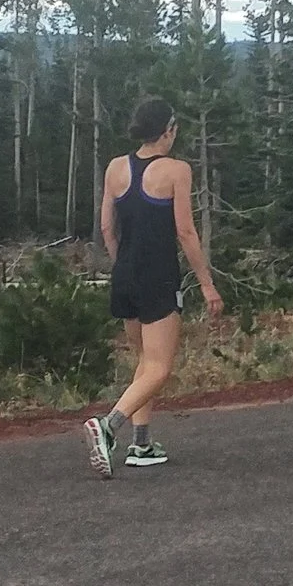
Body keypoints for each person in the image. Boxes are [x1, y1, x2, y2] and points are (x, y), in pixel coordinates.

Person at [86, 96, 222, 478]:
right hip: (158, 276)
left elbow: (107, 227)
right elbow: (185, 231)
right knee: (159, 368)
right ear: (169, 130)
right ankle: (108, 427)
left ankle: (141, 443)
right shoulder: (177, 170)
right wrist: (207, 285)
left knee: (144, 362)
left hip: (125, 274)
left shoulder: (116, 168)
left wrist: (122, 264)